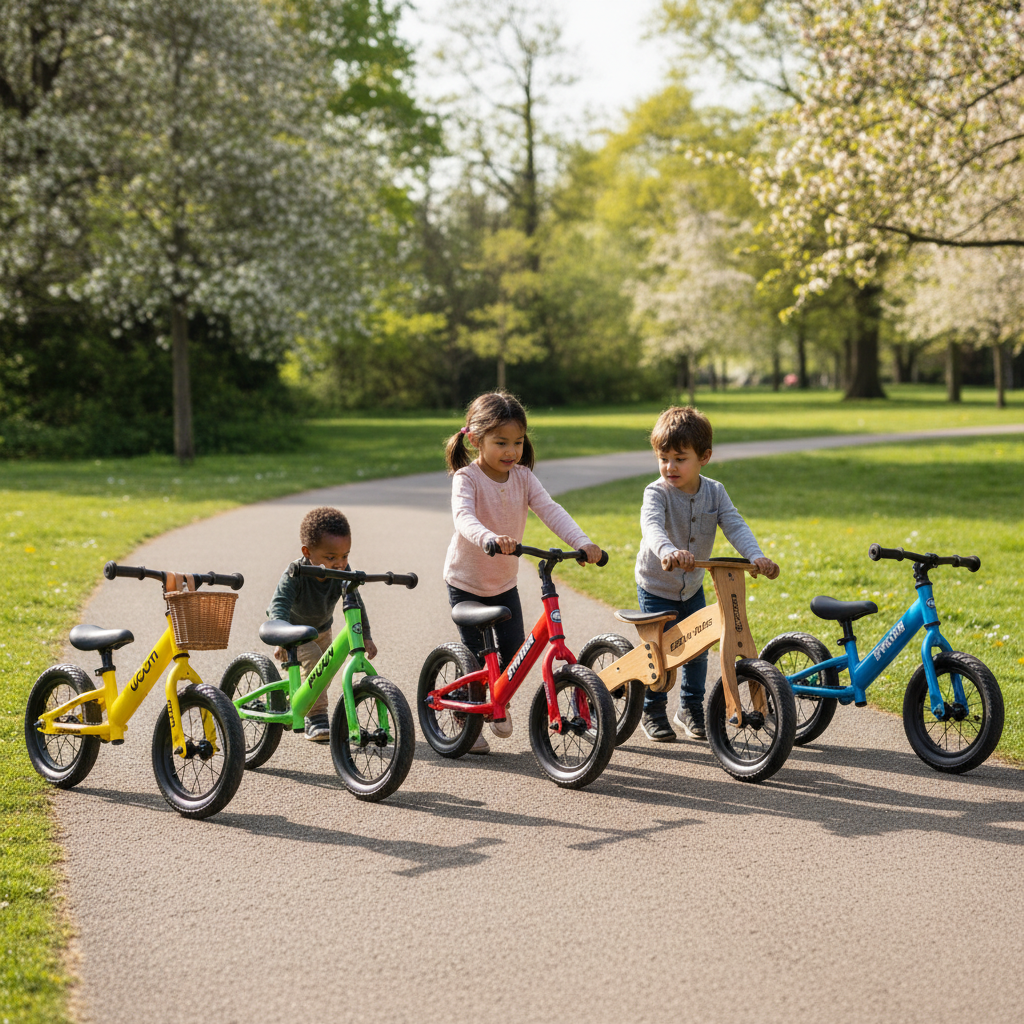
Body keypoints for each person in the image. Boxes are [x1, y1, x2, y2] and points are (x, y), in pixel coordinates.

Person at [443, 391, 602, 754]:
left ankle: (498, 702)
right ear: (475, 439)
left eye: (517, 442)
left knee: (515, 651)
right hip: (466, 581)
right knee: (476, 658)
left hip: (503, 581)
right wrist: (487, 537)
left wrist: (583, 542)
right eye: (500, 442)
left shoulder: (524, 478)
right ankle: (466, 717)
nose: (510, 451)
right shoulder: (466, 479)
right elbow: (463, 516)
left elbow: (550, 509)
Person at [635, 406, 779, 743]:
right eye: (663, 458)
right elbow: (651, 526)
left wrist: (755, 556)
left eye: (680, 459)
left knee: (698, 652)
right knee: (661, 653)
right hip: (657, 585)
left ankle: (689, 707)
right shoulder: (656, 492)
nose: (670, 467)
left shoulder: (714, 491)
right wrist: (667, 551)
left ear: (705, 457)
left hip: (694, 587)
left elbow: (734, 524)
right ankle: (652, 710)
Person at [266, 506, 377, 742]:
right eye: (330, 557)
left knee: (321, 674)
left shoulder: (342, 571)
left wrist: (365, 636)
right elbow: (279, 604)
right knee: (314, 661)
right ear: (308, 552)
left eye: (345, 555)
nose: (340, 564)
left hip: (322, 630)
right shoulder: (295, 573)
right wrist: (280, 635)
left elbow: (355, 602)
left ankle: (299, 700)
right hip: (293, 633)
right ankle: (316, 717)